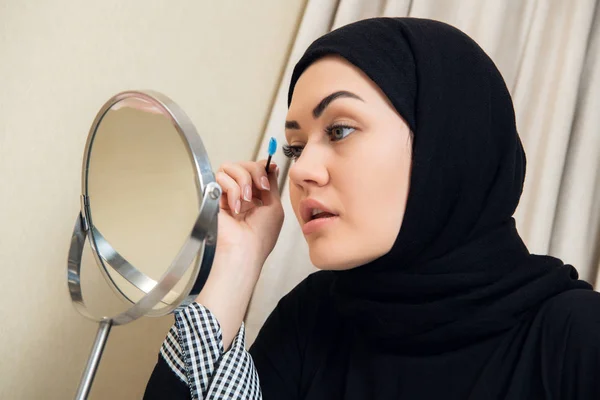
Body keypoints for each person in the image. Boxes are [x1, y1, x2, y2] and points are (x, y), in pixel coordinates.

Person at [144, 17, 600, 399]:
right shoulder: (313, 319)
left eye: (339, 130)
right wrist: (236, 262)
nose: (301, 172)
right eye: (296, 146)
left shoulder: (575, 337)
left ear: (445, 146)